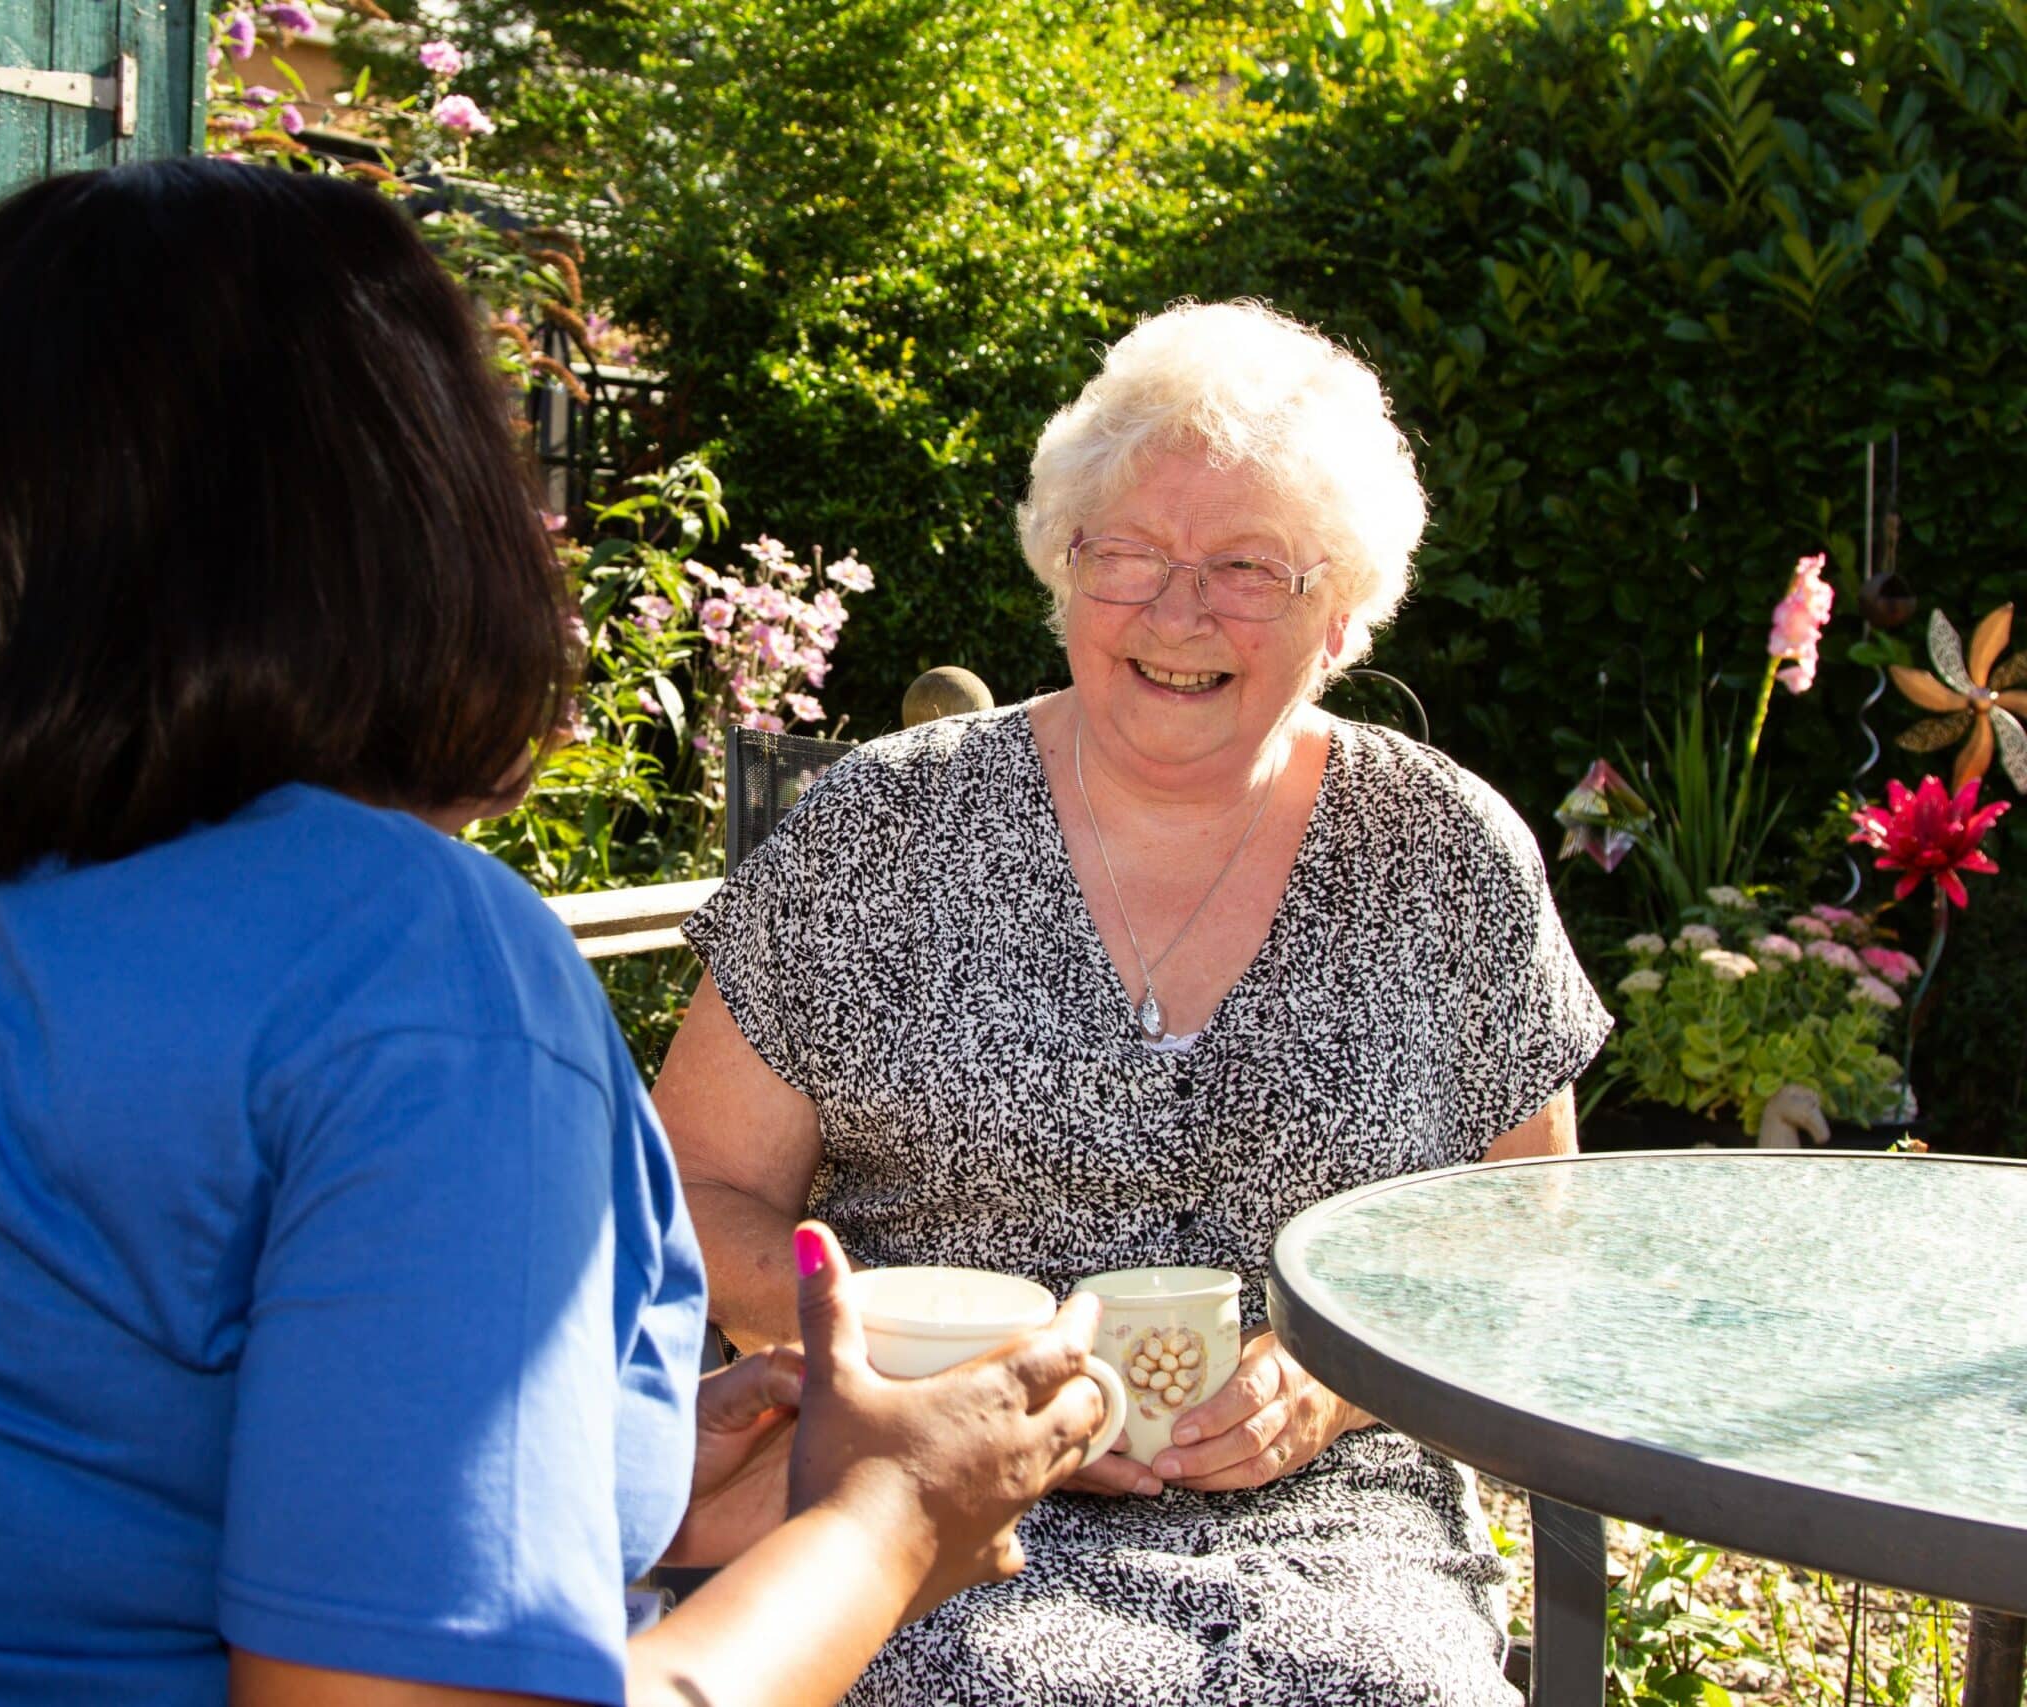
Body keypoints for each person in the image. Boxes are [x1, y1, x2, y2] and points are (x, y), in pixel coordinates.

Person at [0, 161, 1115, 1707]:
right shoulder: (417, 969)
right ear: (407, 524)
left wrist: (623, 1493)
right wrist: (887, 1525)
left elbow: (58, 1515)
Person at [659, 300, 1613, 1705]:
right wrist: (904, 1360)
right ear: (1064, 565)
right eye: (1132, 556)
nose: (1179, 613)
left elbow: (1525, 1230)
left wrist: (1334, 1378)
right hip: (921, 1502)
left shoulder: (1445, 852)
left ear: (1341, 609)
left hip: (1329, 1522)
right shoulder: (886, 831)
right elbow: (691, 1185)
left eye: (1247, 567)